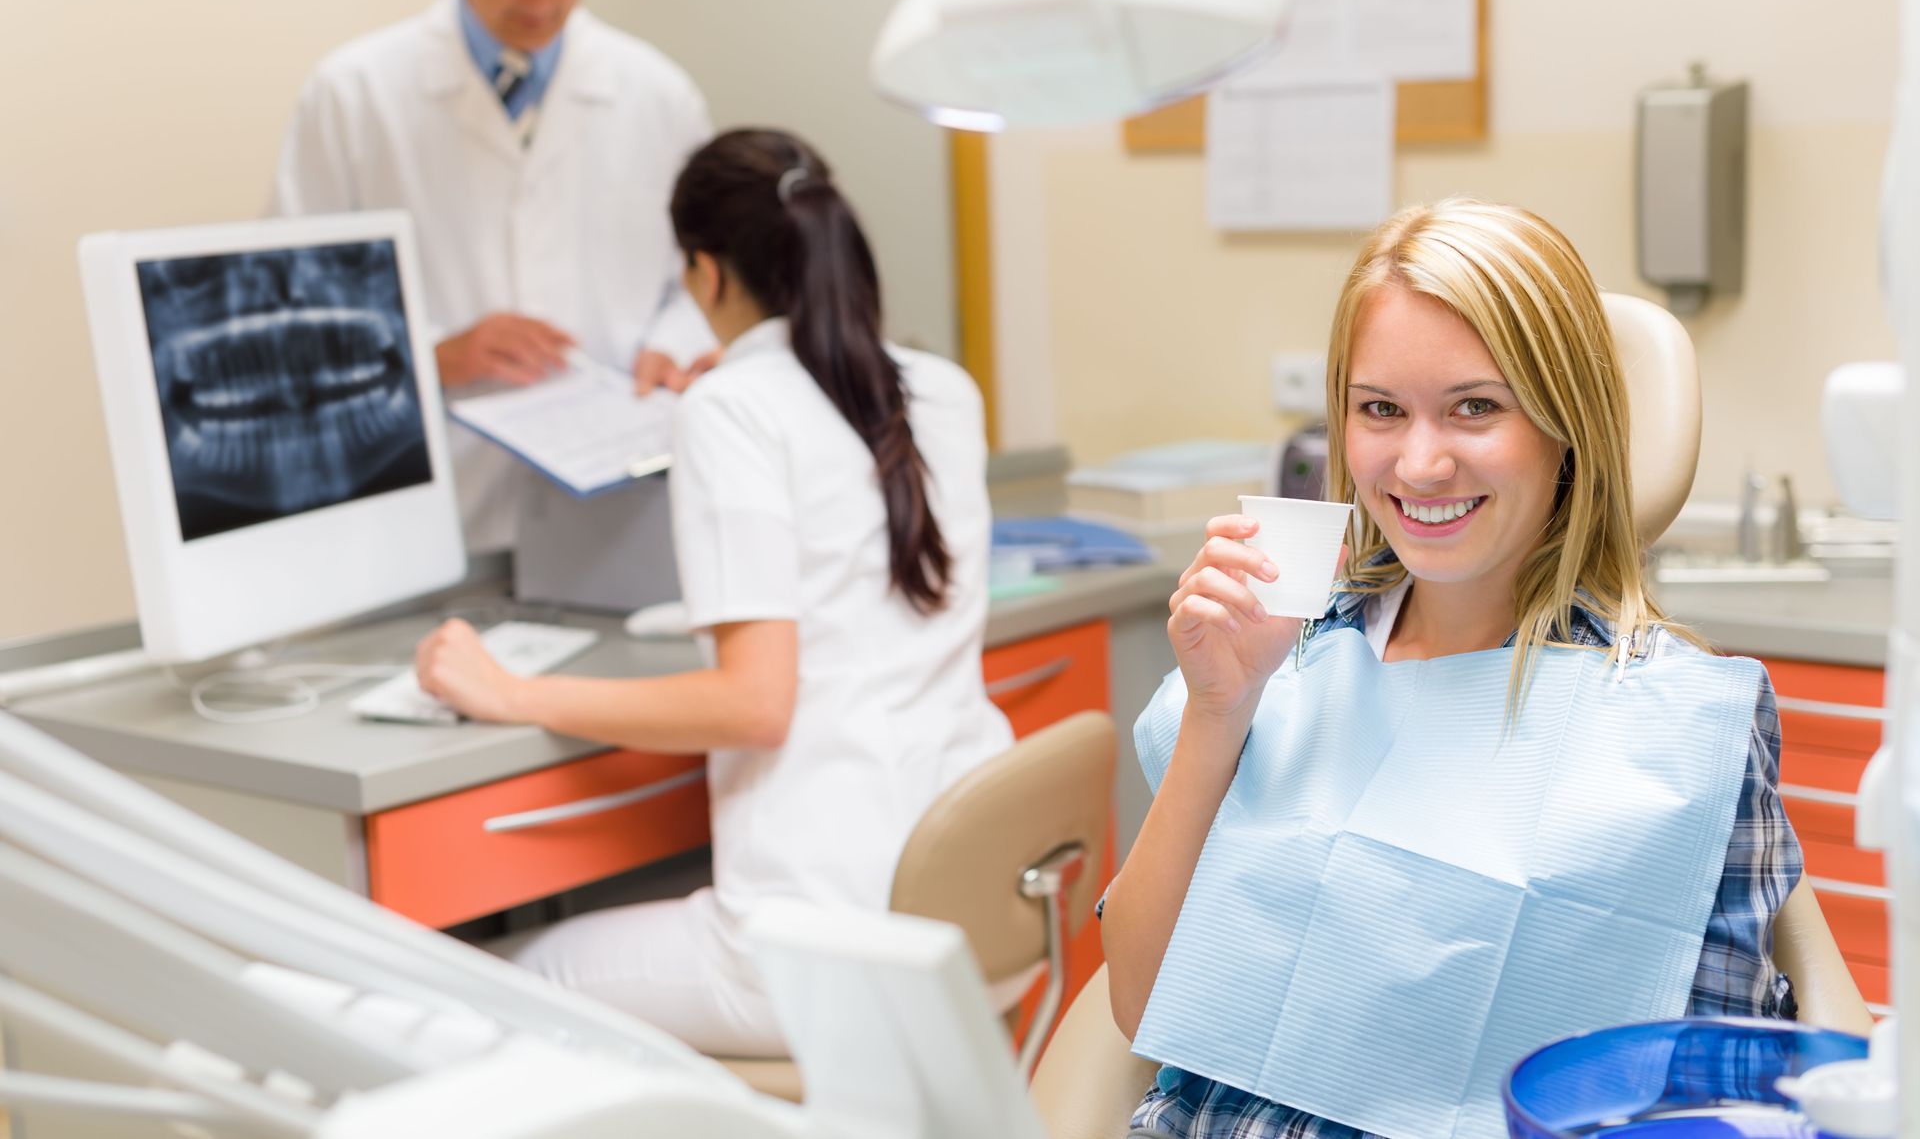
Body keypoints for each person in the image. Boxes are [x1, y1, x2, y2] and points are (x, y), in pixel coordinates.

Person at [1100, 199, 1801, 1139]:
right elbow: (1146, 1012)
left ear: (1567, 428)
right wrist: (1219, 713)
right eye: (1380, 410)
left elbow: (1703, 1099)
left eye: (1476, 408)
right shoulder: (1284, 651)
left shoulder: (1673, 727)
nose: (1420, 463)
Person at [410, 129, 1014, 1056]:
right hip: (965, 913)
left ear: (704, 275)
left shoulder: (733, 409)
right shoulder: (945, 388)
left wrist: (511, 693)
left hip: (822, 943)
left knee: (496, 981)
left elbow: (753, 701)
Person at [272, 0, 714, 552]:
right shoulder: (353, 98)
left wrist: (676, 344)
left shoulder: (661, 98)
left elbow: (705, 285)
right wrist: (433, 356)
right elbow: (291, 318)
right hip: (431, 512)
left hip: (621, 512)